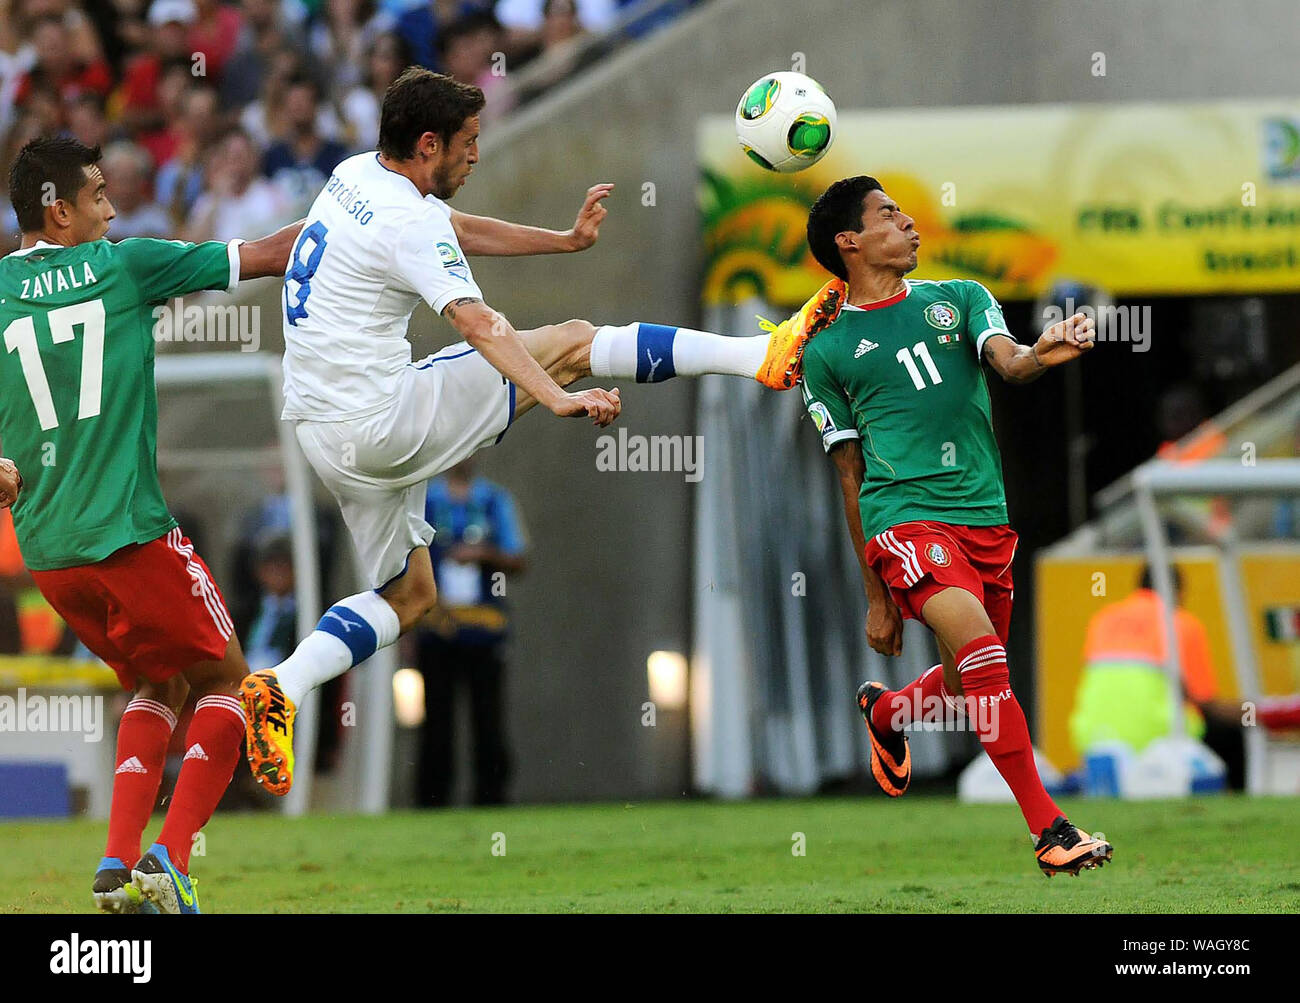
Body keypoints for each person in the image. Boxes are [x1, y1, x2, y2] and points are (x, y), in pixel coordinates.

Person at [240, 67, 814, 795]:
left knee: (410, 594)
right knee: (574, 340)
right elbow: (479, 322)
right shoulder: (407, 220)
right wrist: (552, 393)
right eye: (469, 143)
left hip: (324, 437)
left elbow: (457, 231)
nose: (477, 156)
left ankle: (282, 686)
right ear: (428, 144)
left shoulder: (355, 175)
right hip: (384, 420)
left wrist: (564, 242)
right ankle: (760, 356)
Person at [0, 135, 300, 913]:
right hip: (129, 532)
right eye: (97, 196)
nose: (111, 208)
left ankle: (113, 865)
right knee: (229, 679)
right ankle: (169, 857)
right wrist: (362, 220)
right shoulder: (126, 265)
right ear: (57, 211)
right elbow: (265, 254)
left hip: (52, 554)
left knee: (154, 681)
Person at [793, 175, 1111, 877]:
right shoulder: (824, 350)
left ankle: (893, 712)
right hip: (903, 518)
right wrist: (877, 596)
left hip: (985, 520)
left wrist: (1040, 352)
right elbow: (849, 475)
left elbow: (1010, 361)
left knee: (974, 683)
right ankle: (1050, 830)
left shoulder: (960, 297)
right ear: (850, 241)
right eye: (889, 214)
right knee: (984, 655)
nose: (908, 223)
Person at [1070, 564, 1245, 788]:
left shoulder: (1103, 619)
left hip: (1094, 740)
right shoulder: (1180, 623)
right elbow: (1205, 702)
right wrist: (1257, 714)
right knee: (1231, 735)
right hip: (1158, 738)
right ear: (1178, 592)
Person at [414, 458, 526, 806]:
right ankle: (432, 801)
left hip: (484, 628)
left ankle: (491, 798)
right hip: (437, 628)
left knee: (488, 718)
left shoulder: (494, 500)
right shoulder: (425, 502)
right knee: (435, 719)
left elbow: (518, 558)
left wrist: (485, 554)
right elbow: (405, 561)